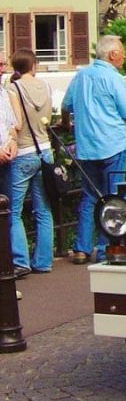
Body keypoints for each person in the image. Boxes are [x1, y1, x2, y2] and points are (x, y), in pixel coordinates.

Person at [61, 35, 126, 264]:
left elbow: (66, 105)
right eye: (122, 51)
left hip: (87, 146)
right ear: (113, 54)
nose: (124, 55)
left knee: (89, 196)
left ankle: (81, 248)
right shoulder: (114, 78)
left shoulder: (81, 75)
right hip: (113, 144)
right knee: (113, 197)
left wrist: (67, 123)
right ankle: (108, 247)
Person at [6, 49, 54, 277]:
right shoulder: (45, 87)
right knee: (43, 209)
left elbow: (16, 122)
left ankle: (20, 260)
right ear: (33, 65)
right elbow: (50, 119)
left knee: (14, 211)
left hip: (23, 151)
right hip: (45, 150)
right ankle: (43, 261)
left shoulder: (13, 89)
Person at [0, 53, 19, 202]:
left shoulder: (4, 94)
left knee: (7, 214)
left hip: (5, 163)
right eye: (0, 65)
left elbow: (12, 125)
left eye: (4, 64)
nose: (3, 69)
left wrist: (13, 142)